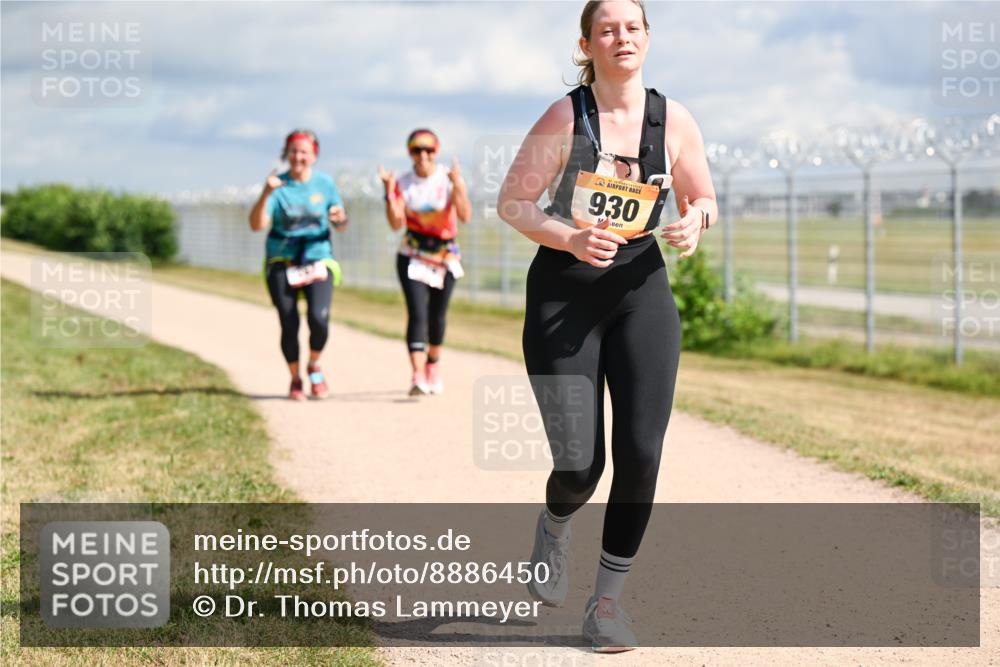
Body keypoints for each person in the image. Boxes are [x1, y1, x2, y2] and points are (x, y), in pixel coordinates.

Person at [496, 0, 717, 652]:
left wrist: (694, 222)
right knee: (579, 463)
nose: (621, 36)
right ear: (588, 43)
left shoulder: (673, 120)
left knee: (642, 451)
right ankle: (556, 521)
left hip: (641, 291)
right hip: (565, 297)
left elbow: (703, 196)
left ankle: (606, 603)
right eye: (607, 28)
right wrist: (568, 236)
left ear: (647, 38)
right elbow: (513, 201)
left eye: (632, 26)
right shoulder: (567, 116)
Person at [248, 129, 349, 401]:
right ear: (286, 153)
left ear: (314, 155)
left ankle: (314, 364)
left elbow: (341, 224)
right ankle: (295, 378)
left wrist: (339, 217)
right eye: (294, 151)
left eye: (304, 151)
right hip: (283, 259)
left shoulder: (325, 184)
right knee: (289, 322)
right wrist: (265, 194)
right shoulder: (276, 186)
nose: (298, 157)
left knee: (319, 318)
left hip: (318, 258)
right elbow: (257, 225)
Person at [378, 129, 472, 395]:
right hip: (413, 254)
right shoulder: (404, 183)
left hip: (445, 255)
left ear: (436, 151)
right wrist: (388, 192)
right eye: (417, 150)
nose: (423, 156)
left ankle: (433, 363)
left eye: (428, 150)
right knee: (417, 313)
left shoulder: (447, 179)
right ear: (410, 153)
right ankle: (417, 375)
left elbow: (465, 216)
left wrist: (459, 185)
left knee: (437, 315)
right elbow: (396, 223)